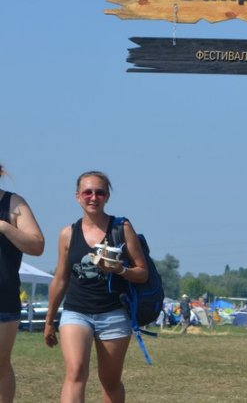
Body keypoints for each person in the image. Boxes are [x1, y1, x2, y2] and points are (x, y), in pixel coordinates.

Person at [44, 171, 149, 403]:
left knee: (110, 381)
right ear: (77, 196)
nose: (93, 197)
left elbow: (142, 273)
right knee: (75, 373)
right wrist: (49, 320)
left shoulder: (122, 228)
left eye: (99, 192)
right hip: (76, 312)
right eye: (87, 192)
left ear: (107, 196)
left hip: (113, 313)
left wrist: (120, 269)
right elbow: (60, 278)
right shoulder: (68, 234)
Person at [0, 164, 45, 403]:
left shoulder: (13, 204)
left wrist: (4, 226)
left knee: (0, 365)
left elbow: (37, 246)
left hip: (3, 298)